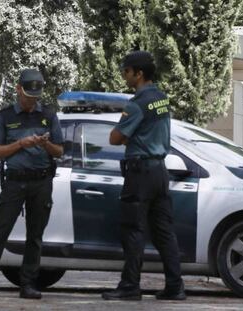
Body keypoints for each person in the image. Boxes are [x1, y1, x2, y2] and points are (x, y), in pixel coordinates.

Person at [0, 69, 64, 300]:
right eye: (27, 96)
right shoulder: (5, 117)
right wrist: (21, 144)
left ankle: (28, 285)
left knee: (35, 236)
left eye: (35, 97)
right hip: (14, 182)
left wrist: (45, 145)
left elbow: (60, 151)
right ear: (18, 90)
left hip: (41, 181)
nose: (31, 101)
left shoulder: (49, 116)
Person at [102, 51, 186, 301]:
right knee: (164, 232)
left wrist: (127, 134)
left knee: (133, 230)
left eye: (127, 71)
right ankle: (175, 286)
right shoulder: (161, 98)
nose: (124, 75)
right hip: (160, 171)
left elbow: (115, 138)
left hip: (140, 173)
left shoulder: (137, 103)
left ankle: (130, 286)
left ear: (138, 74)